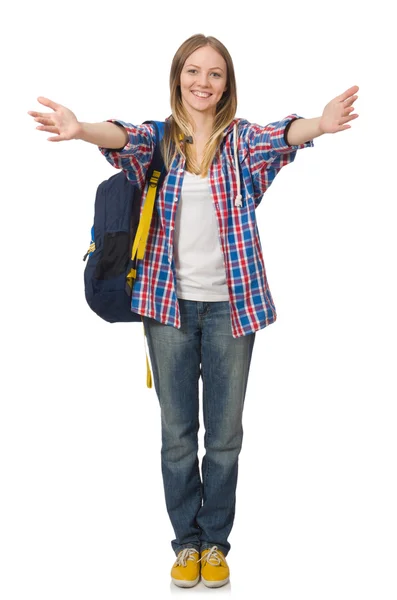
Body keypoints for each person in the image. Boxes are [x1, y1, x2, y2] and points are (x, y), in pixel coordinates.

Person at [28, 33, 359, 589]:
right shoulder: (157, 142)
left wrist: (320, 125)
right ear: (178, 76)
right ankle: (186, 545)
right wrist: (80, 128)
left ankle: (215, 543)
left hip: (233, 309)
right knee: (178, 434)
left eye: (215, 74)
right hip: (168, 308)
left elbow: (284, 134)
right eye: (193, 72)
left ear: (227, 84)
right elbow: (120, 137)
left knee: (224, 435)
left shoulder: (242, 143)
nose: (203, 83)